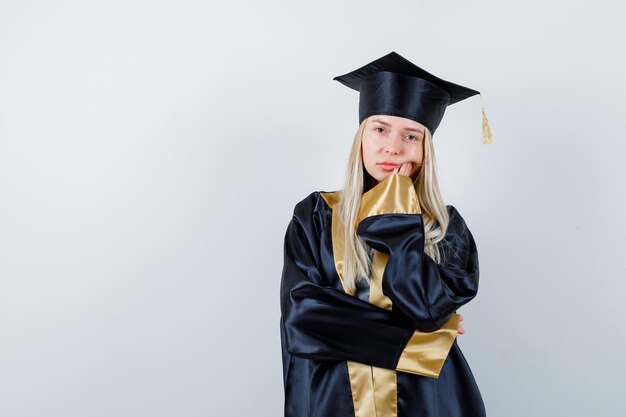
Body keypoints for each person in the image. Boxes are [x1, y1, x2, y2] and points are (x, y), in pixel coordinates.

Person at [279, 51, 490, 417]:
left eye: (411, 135)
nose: (393, 146)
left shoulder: (446, 228)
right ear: (361, 136)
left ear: (425, 151)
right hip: (336, 399)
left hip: (428, 401)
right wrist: (430, 340)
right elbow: (305, 319)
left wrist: (398, 222)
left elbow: (424, 310)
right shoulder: (315, 215)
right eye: (380, 129)